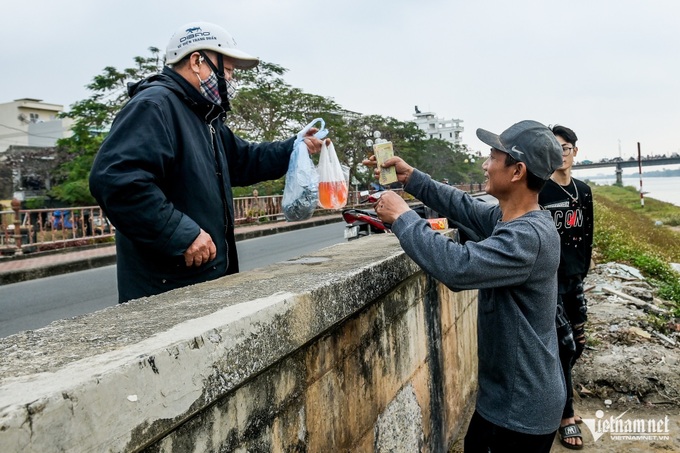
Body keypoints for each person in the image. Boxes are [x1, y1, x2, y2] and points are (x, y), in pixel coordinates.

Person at [89, 22, 328, 303]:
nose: (230, 80)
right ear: (197, 61)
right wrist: (181, 234)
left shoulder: (206, 118)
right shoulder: (155, 106)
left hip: (202, 282)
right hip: (168, 288)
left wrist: (295, 146)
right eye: (226, 70)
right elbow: (116, 180)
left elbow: (243, 160)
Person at [365, 120, 566, 452]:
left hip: (520, 409)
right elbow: (465, 207)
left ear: (517, 171)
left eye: (492, 157)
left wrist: (403, 217)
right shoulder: (511, 221)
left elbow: (458, 268)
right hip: (508, 398)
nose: (484, 166)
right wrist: (411, 177)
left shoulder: (528, 237)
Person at [538, 125, 593, 450]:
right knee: (563, 346)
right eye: (555, 147)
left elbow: (587, 236)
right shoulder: (541, 191)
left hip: (574, 280)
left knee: (579, 343)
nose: (562, 152)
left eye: (566, 147)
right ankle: (565, 416)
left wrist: (583, 272)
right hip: (548, 282)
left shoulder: (583, 191)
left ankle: (558, 394)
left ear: (575, 151)